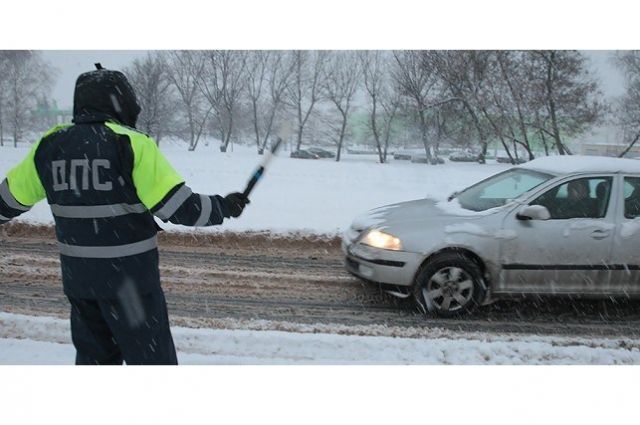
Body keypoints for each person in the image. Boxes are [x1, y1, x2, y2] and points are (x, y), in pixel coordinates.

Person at [0, 64, 250, 365]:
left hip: (80, 285)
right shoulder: (131, 144)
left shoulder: (50, 146)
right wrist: (224, 206)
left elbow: (7, 201)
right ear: (122, 103)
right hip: (130, 287)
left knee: (95, 363)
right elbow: (179, 207)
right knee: (151, 362)